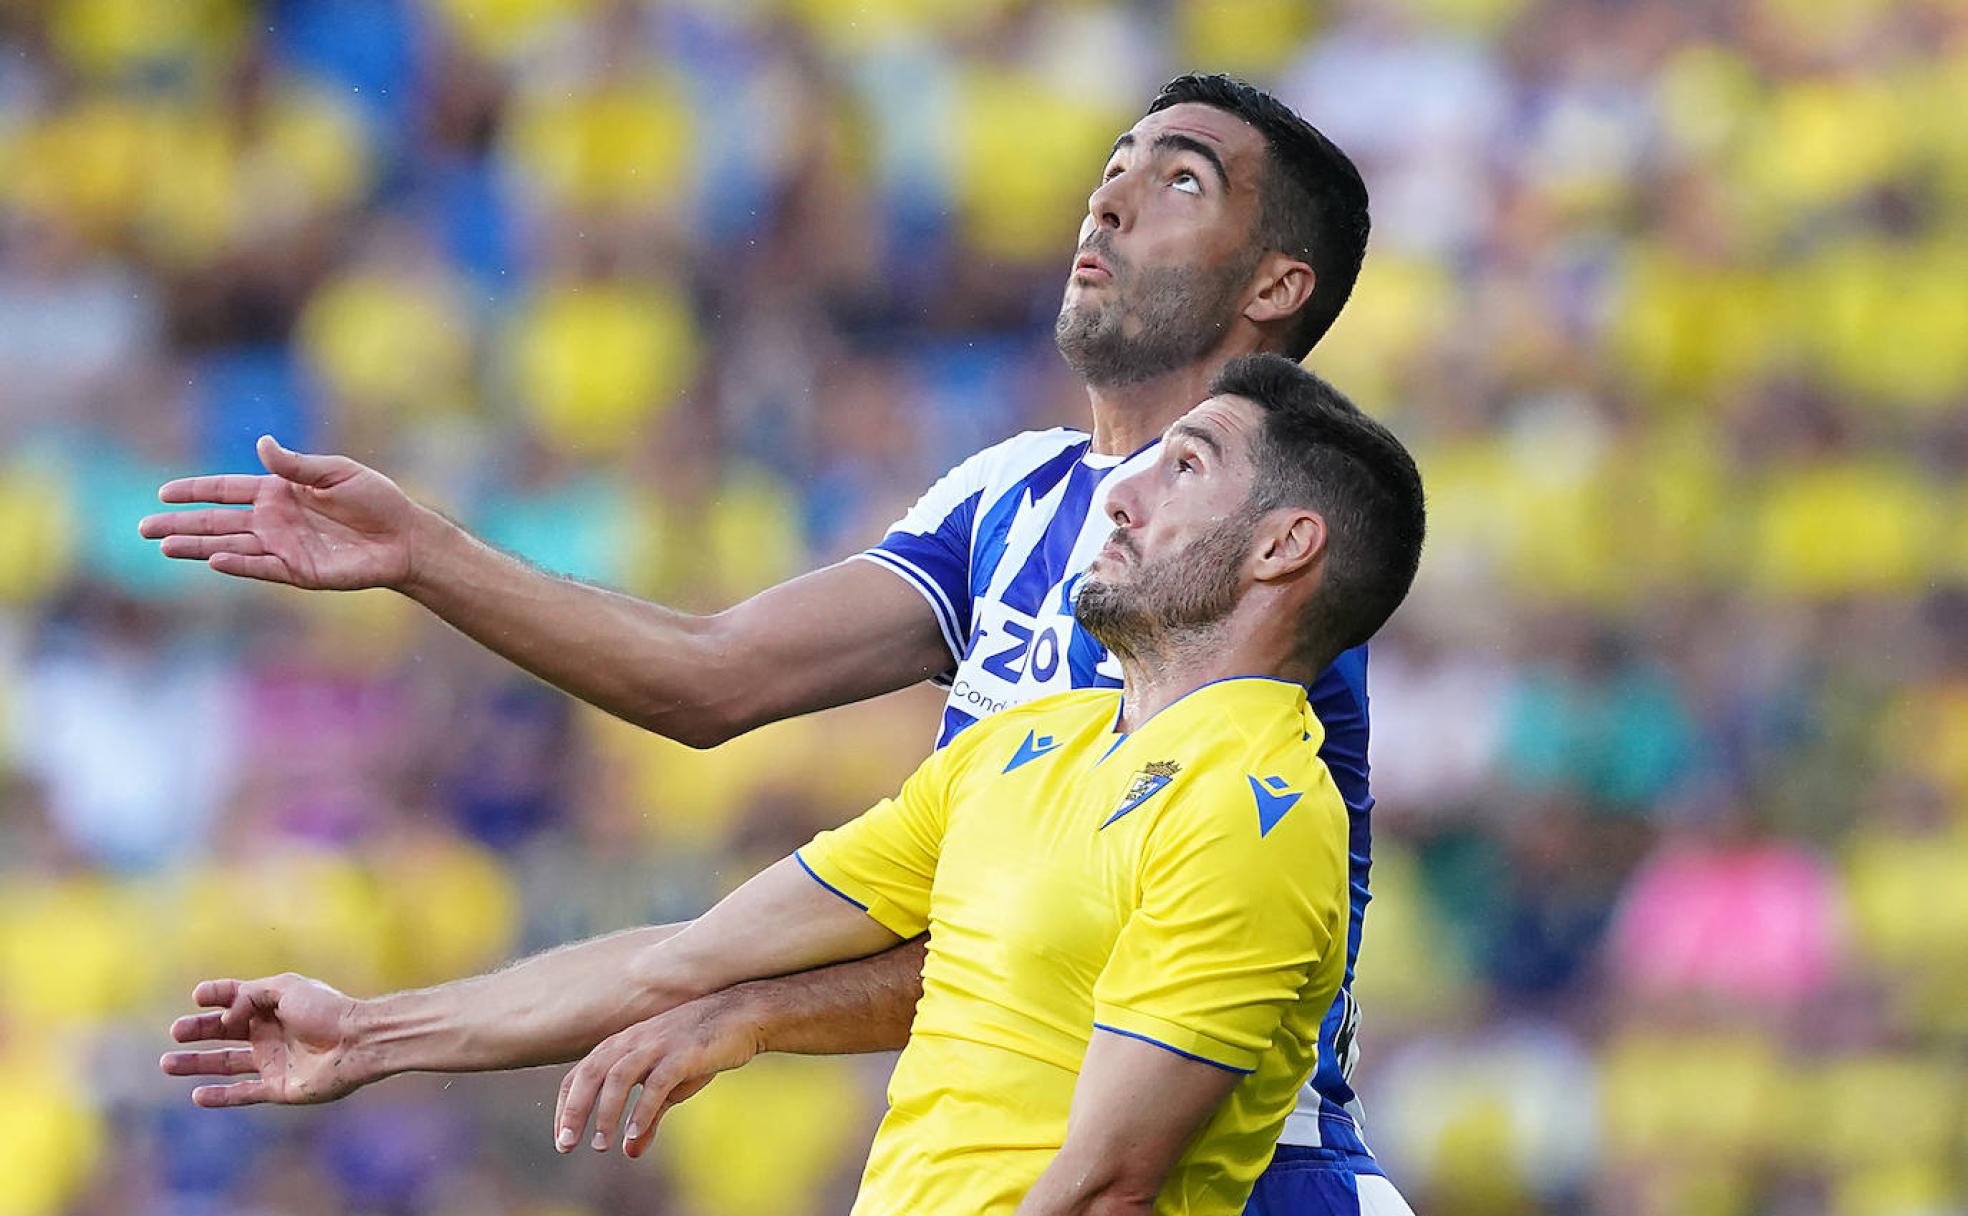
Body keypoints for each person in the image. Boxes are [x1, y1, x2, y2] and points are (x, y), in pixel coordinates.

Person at [146, 74, 1402, 1210]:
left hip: (1238, 1176)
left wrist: (752, 1014)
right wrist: (426, 557)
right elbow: (716, 676)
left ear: (1275, 284)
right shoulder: (1016, 504)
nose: (1111, 197)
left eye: (1179, 177)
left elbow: (1047, 948)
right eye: (1112, 165)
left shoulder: (1236, 589)